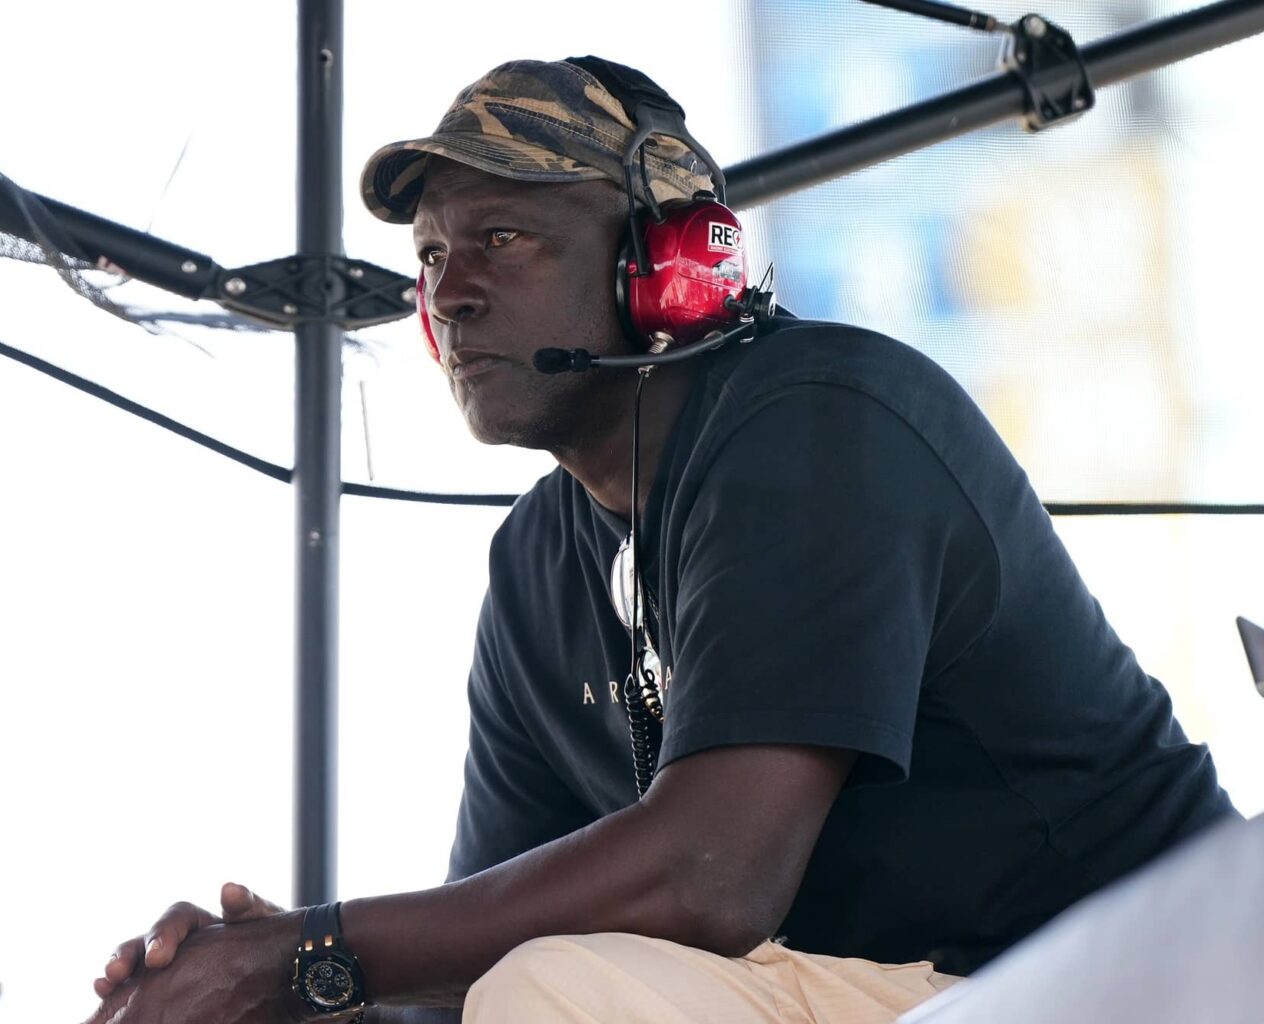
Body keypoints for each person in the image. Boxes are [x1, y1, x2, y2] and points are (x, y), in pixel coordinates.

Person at [81, 56, 1236, 1024]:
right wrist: (288, 995)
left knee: (551, 991)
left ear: (670, 265)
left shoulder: (815, 420)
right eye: (431, 257)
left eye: (502, 238)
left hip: (1129, 972)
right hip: (898, 994)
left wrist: (304, 951)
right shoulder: (536, 566)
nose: (451, 293)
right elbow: (458, 982)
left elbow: (714, 875)